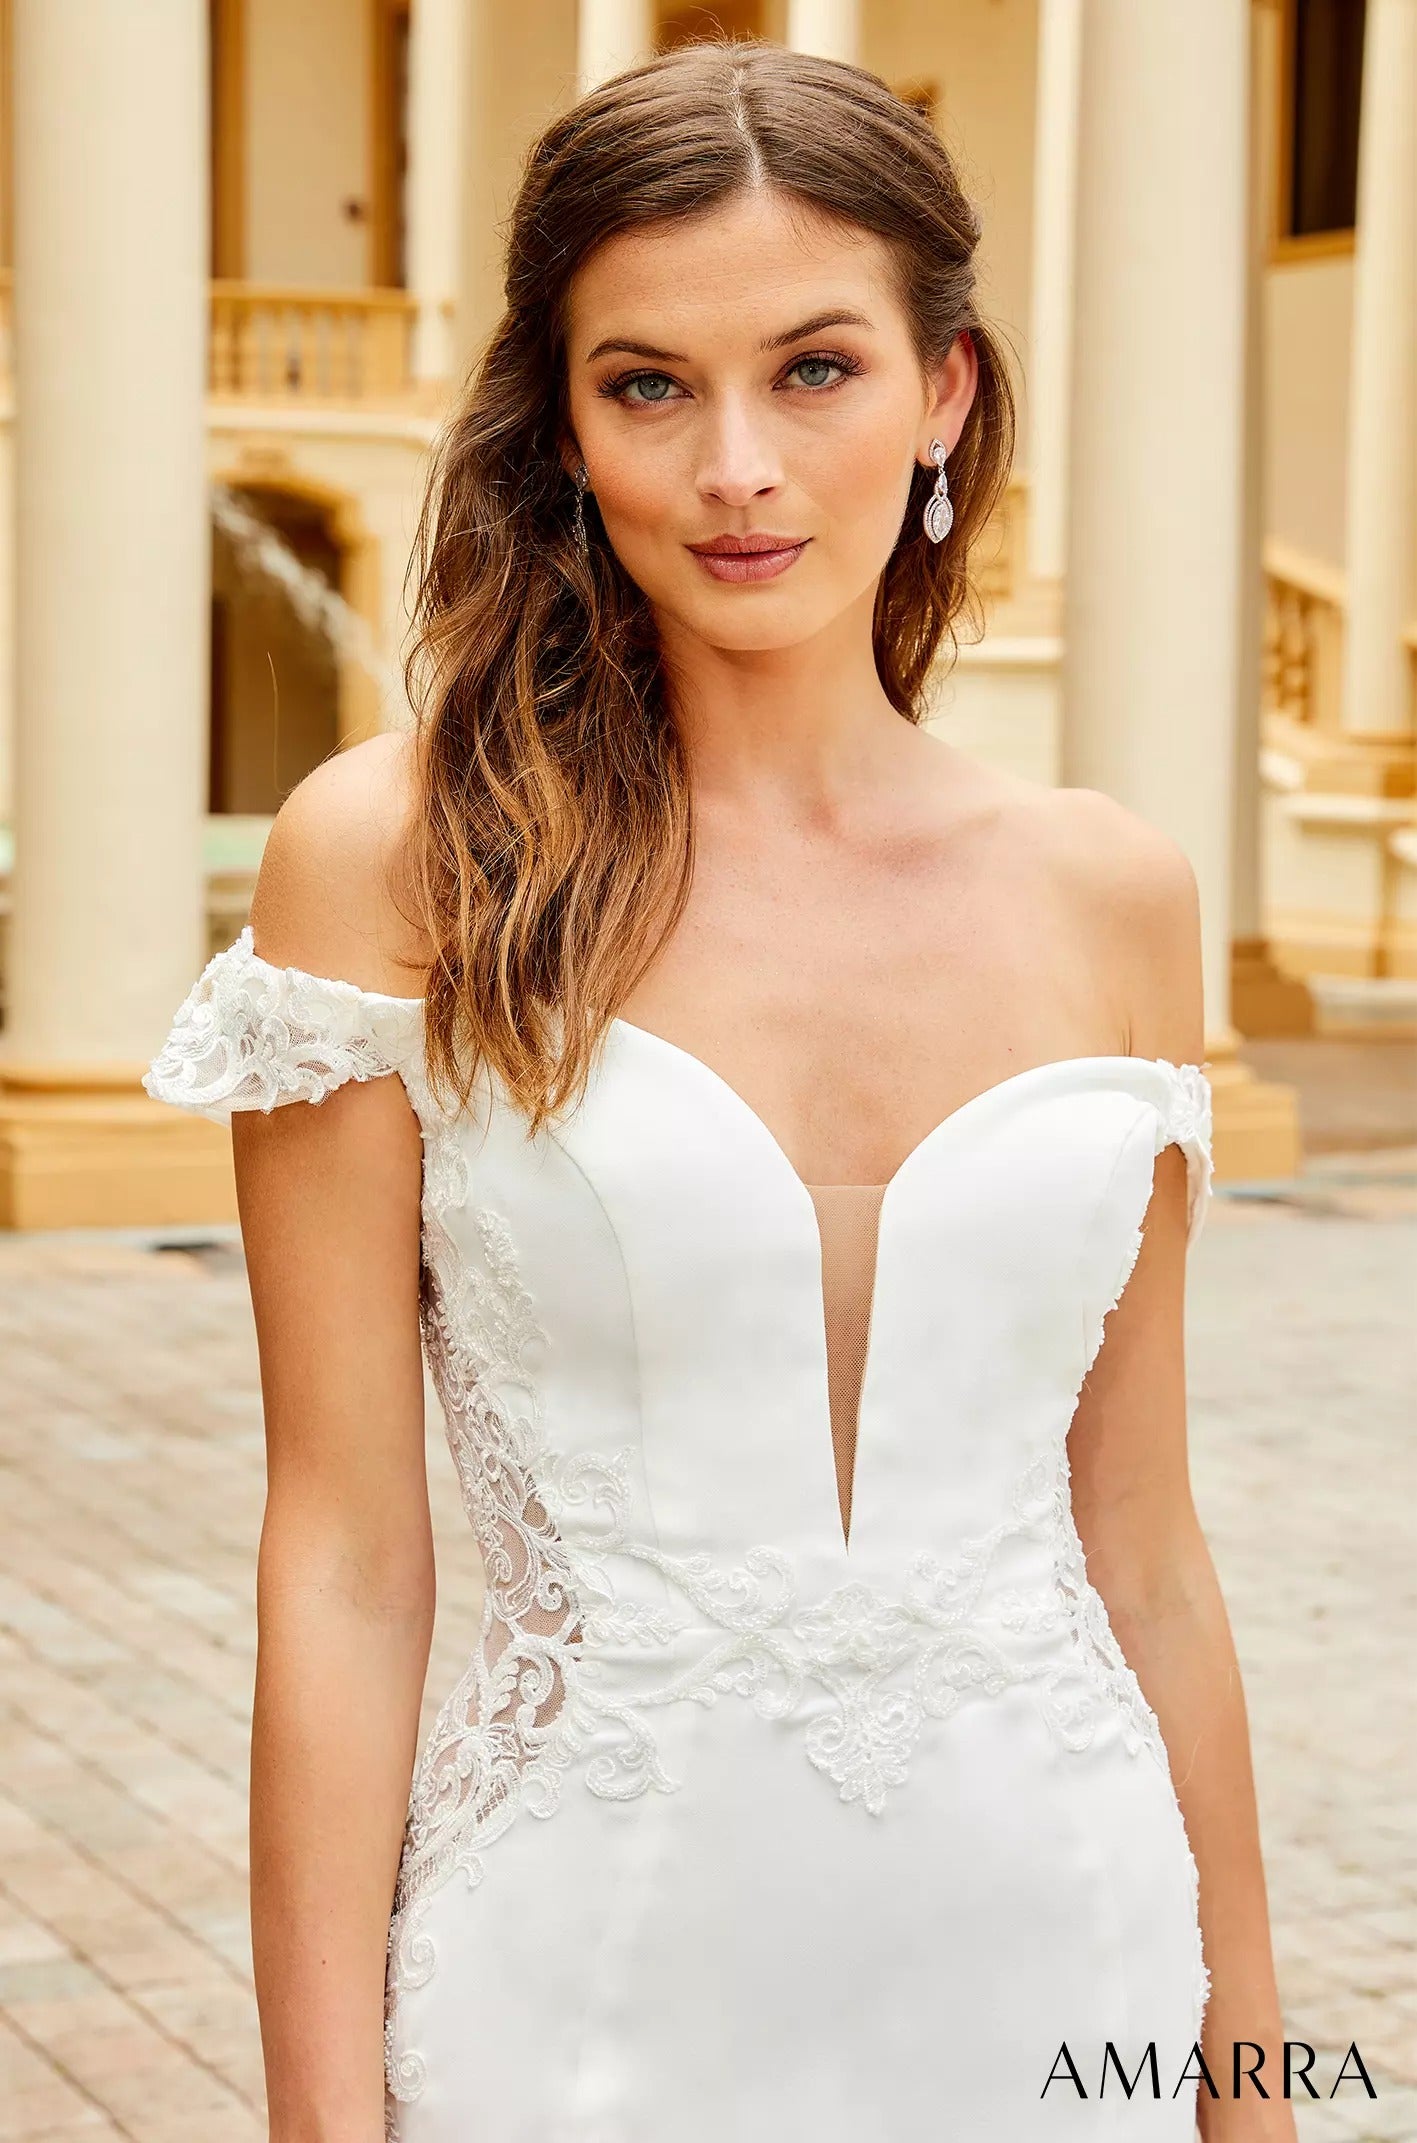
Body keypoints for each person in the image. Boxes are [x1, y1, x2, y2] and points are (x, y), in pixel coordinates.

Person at [145, 40, 1295, 2143]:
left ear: (942, 392)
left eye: (816, 369)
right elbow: (347, 1564)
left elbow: (1142, 1550)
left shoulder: (1114, 895)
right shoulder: (400, 864)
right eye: (649, 385)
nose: (735, 467)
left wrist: (1250, 2088)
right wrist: (321, 2118)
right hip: (580, 1993)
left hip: (1068, 1961)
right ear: (565, 427)